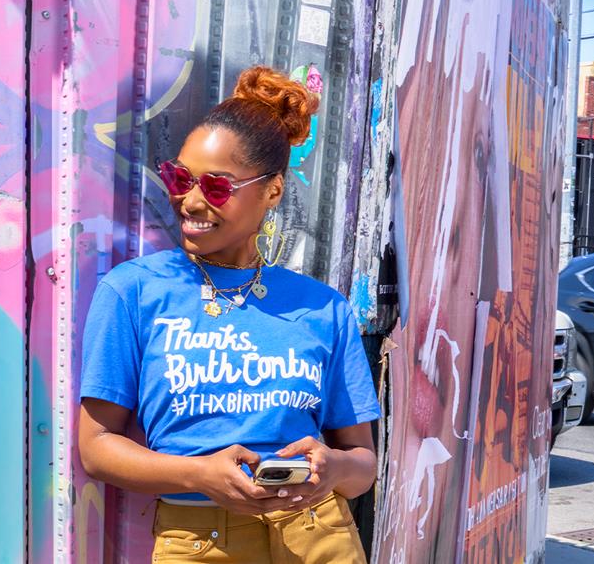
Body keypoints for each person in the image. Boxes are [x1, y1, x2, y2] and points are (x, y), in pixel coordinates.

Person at [78, 66, 381, 563]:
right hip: (197, 543)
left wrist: (329, 469)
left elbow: (363, 464)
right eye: (179, 178)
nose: (190, 200)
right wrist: (197, 474)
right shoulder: (132, 292)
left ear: (273, 191)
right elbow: (97, 448)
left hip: (319, 536)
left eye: (217, 187)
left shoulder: (324, 307)